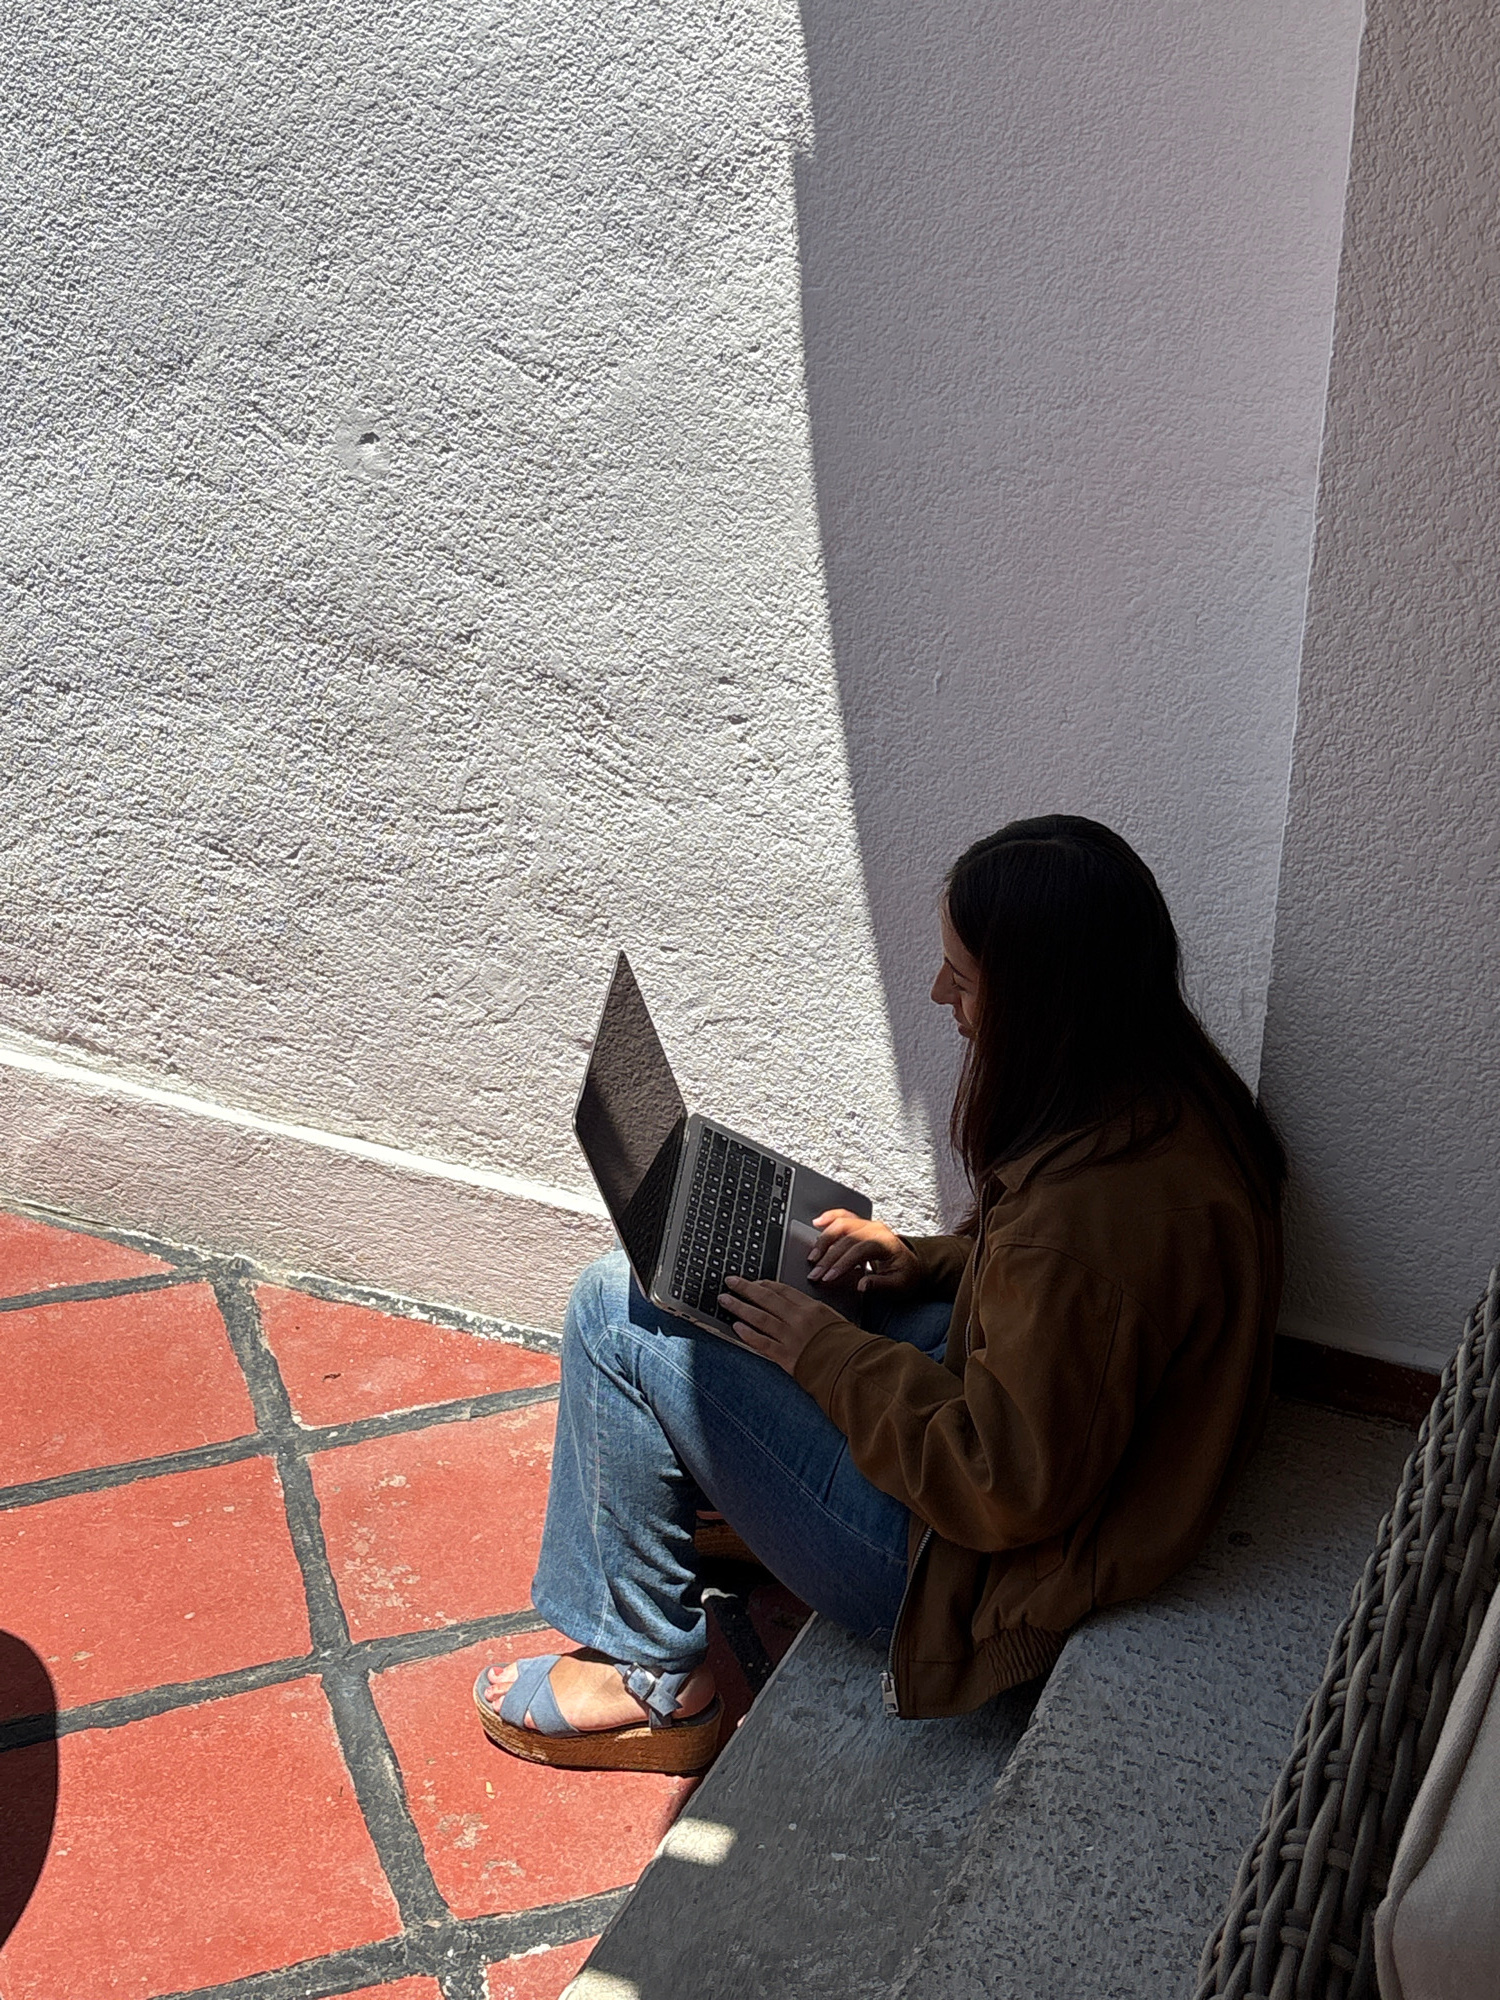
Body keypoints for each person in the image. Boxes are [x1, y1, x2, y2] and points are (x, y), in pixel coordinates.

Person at [474, 814, 1285, 1773]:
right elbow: (1076, 1310)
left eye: (965, 980)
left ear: (1048, 1005)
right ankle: (734, 1476)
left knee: (619, 1309)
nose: (941, 992)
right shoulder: (1170, 1101)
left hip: (963, 1573)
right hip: (1076, 1461)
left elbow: (1001, 1486)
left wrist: (825, 1353)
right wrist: (925, 1260)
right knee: (765, 1281)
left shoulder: (1076, 1235)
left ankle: (647, 1674)